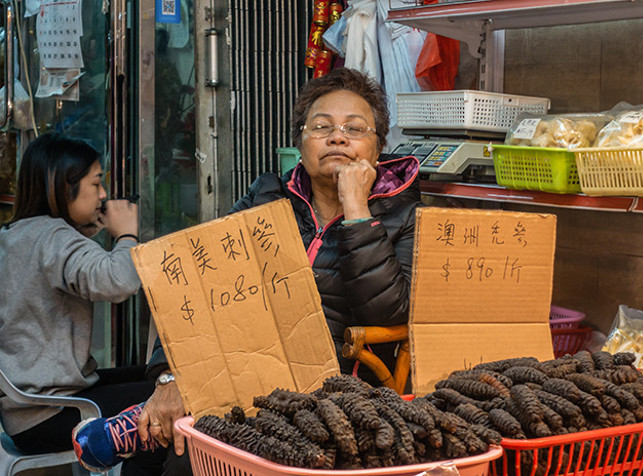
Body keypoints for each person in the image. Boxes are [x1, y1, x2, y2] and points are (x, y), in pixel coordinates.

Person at [0, 133, 185, 475]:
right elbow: (117, 281)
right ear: (64, 187)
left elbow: (63, 265)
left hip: (22, 412)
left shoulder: (16, 234)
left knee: (157, 376)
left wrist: (93, 229)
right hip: (53, 413)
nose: (103, 195)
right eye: (96, 183)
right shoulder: (54, 238)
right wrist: (126, 234)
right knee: (170, 400)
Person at [230, 67, 421, 384]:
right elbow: (199, 281)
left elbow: (389, 315)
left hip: (345, 395)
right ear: (299, 144)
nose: (337, 137)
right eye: (321, 127)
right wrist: (169, 375)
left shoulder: (408, 218)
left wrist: (356, 210)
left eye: (354, 128)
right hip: (245, 376)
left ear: (378, 149)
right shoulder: (265, 196)